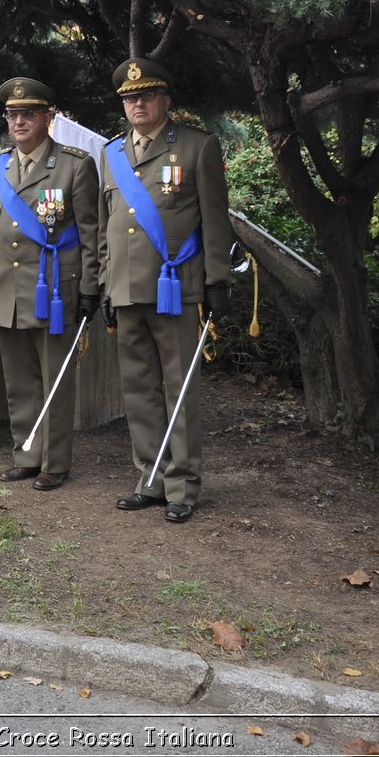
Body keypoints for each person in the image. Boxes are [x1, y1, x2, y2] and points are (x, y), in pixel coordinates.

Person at [99, 57, 234, 523]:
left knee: (179, 388)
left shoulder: (198, 147)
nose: (138, 104)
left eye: (147, 95)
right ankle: (150, 479)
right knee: (138, 390)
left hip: (176, 287)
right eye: (130, 98)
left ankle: (182, 485)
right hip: (126, 287)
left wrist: (218, 279)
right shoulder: (112, 154)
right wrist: (104, 284)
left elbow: (216, 221)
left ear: (165, 101)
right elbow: (107, 227)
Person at [0, 78, 101, 490]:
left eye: (29, 113)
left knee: (54, 378)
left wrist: (88, 287)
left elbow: (89, 232)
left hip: (54, 291)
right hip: (6, 291)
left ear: (49, 117)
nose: (19, 121)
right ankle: (26, 454)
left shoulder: (74, 165)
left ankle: (56, 462)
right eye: (13, 115)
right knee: (18, 380)